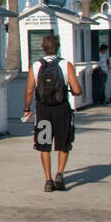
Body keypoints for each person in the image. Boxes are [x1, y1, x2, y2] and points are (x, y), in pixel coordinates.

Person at [23, 34, 84, 192]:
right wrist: (73, 90)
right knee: (63, 143)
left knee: (44, 145)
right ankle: (60, 174)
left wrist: (27, 109)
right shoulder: (65, 64)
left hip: (43, 109)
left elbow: (29, 91)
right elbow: (77, 90)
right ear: (57, 47)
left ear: (43, 48)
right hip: (62, 108)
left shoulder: (36, 66)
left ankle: (48, 180)